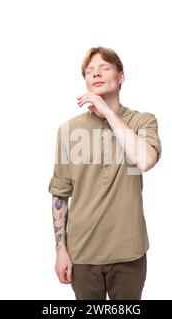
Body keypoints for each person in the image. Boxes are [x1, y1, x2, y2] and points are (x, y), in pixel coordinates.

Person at [48, 46, 162, 300]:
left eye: (104, 68)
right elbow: (60, 194)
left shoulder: (142, 121)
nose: (96, 74)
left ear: (120, 77)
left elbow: (145, 160)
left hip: (129, 252)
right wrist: (60, 250)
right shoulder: (68, 130)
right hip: (83, 254)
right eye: (90, 71)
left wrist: (108, 112)